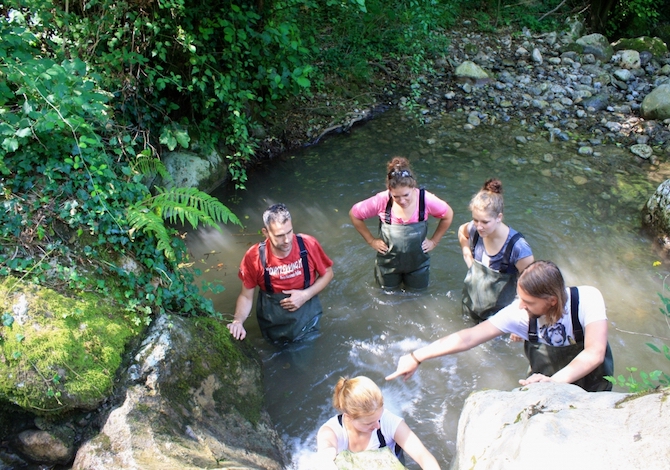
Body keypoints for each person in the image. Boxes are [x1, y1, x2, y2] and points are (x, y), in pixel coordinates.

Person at [386, 261, 614, 392]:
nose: (521, 306)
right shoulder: (519, 314)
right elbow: (468, 338)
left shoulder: (587, 298)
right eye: (520, 298)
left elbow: (594, 353)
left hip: (589, 381)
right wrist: (417, 356)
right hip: (544, 382)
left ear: (552, 300)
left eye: (529, 302)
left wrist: (553, 382)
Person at [227, 203, 334, 343]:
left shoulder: (308, 244)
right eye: (279, 235)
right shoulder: (255, 257)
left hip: (307, 318)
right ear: (266, 232)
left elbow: (328, 273)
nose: (287, 240)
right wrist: (238, 322)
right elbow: (246, 297)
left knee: (301, 355)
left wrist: (305, 295)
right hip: (272, 322)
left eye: (289, 232)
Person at [349, 157, 453, 290]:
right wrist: (371, 241)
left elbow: (448, 215)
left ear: (413, 185)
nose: (402, 201)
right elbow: (355, 214)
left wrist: (434, 241)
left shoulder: (424, 199)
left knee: (418, 295)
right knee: (386, 295)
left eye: (406, 195)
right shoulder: (382, 200)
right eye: (396, 196)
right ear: (389, 190)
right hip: (388, 265)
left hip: (418, 265)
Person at [316, 376, 441, 470]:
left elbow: (424, 457)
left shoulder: (390, 422)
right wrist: (327, 456)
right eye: (369, 423)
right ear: (348, 417)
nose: (377, 426)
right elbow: (326, 446)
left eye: (378, 418)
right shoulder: (332, 431)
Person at [458, 178, 534, 323]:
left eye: (485, 222)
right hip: (470, 303)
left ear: (499, 217)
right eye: (475, 220)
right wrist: (467, 253)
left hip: (498, 318)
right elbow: (462, 232)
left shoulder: (518, 248)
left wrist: (522, 317)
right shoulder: (474, 230)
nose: (479, 227)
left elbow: (531, 288)